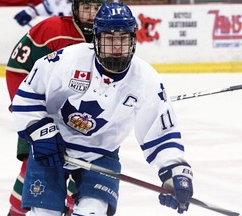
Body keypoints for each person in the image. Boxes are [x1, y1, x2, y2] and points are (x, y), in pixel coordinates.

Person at [11, 2, 194, 215]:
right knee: (43, 213)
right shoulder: (68, 60)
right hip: (54, 146)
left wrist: (175, 173)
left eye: (123, 39)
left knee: (93, 211)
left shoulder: (146, 80)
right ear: (96, 39)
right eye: (109, 39)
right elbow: (27, 96)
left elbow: (163, 134)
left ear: (133, 40)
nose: (117, 47)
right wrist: (41, 133)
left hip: (101, 154)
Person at [5, 0, 106, 215]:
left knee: (82, 173)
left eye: (96, 8)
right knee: (34, 169)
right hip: (43, 119)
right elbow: (16, 68)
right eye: (85, 8)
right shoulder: (51, 29)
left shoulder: (110, 38)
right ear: (75, 8)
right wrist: (26, 109)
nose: (90, 14)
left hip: (82, 124)